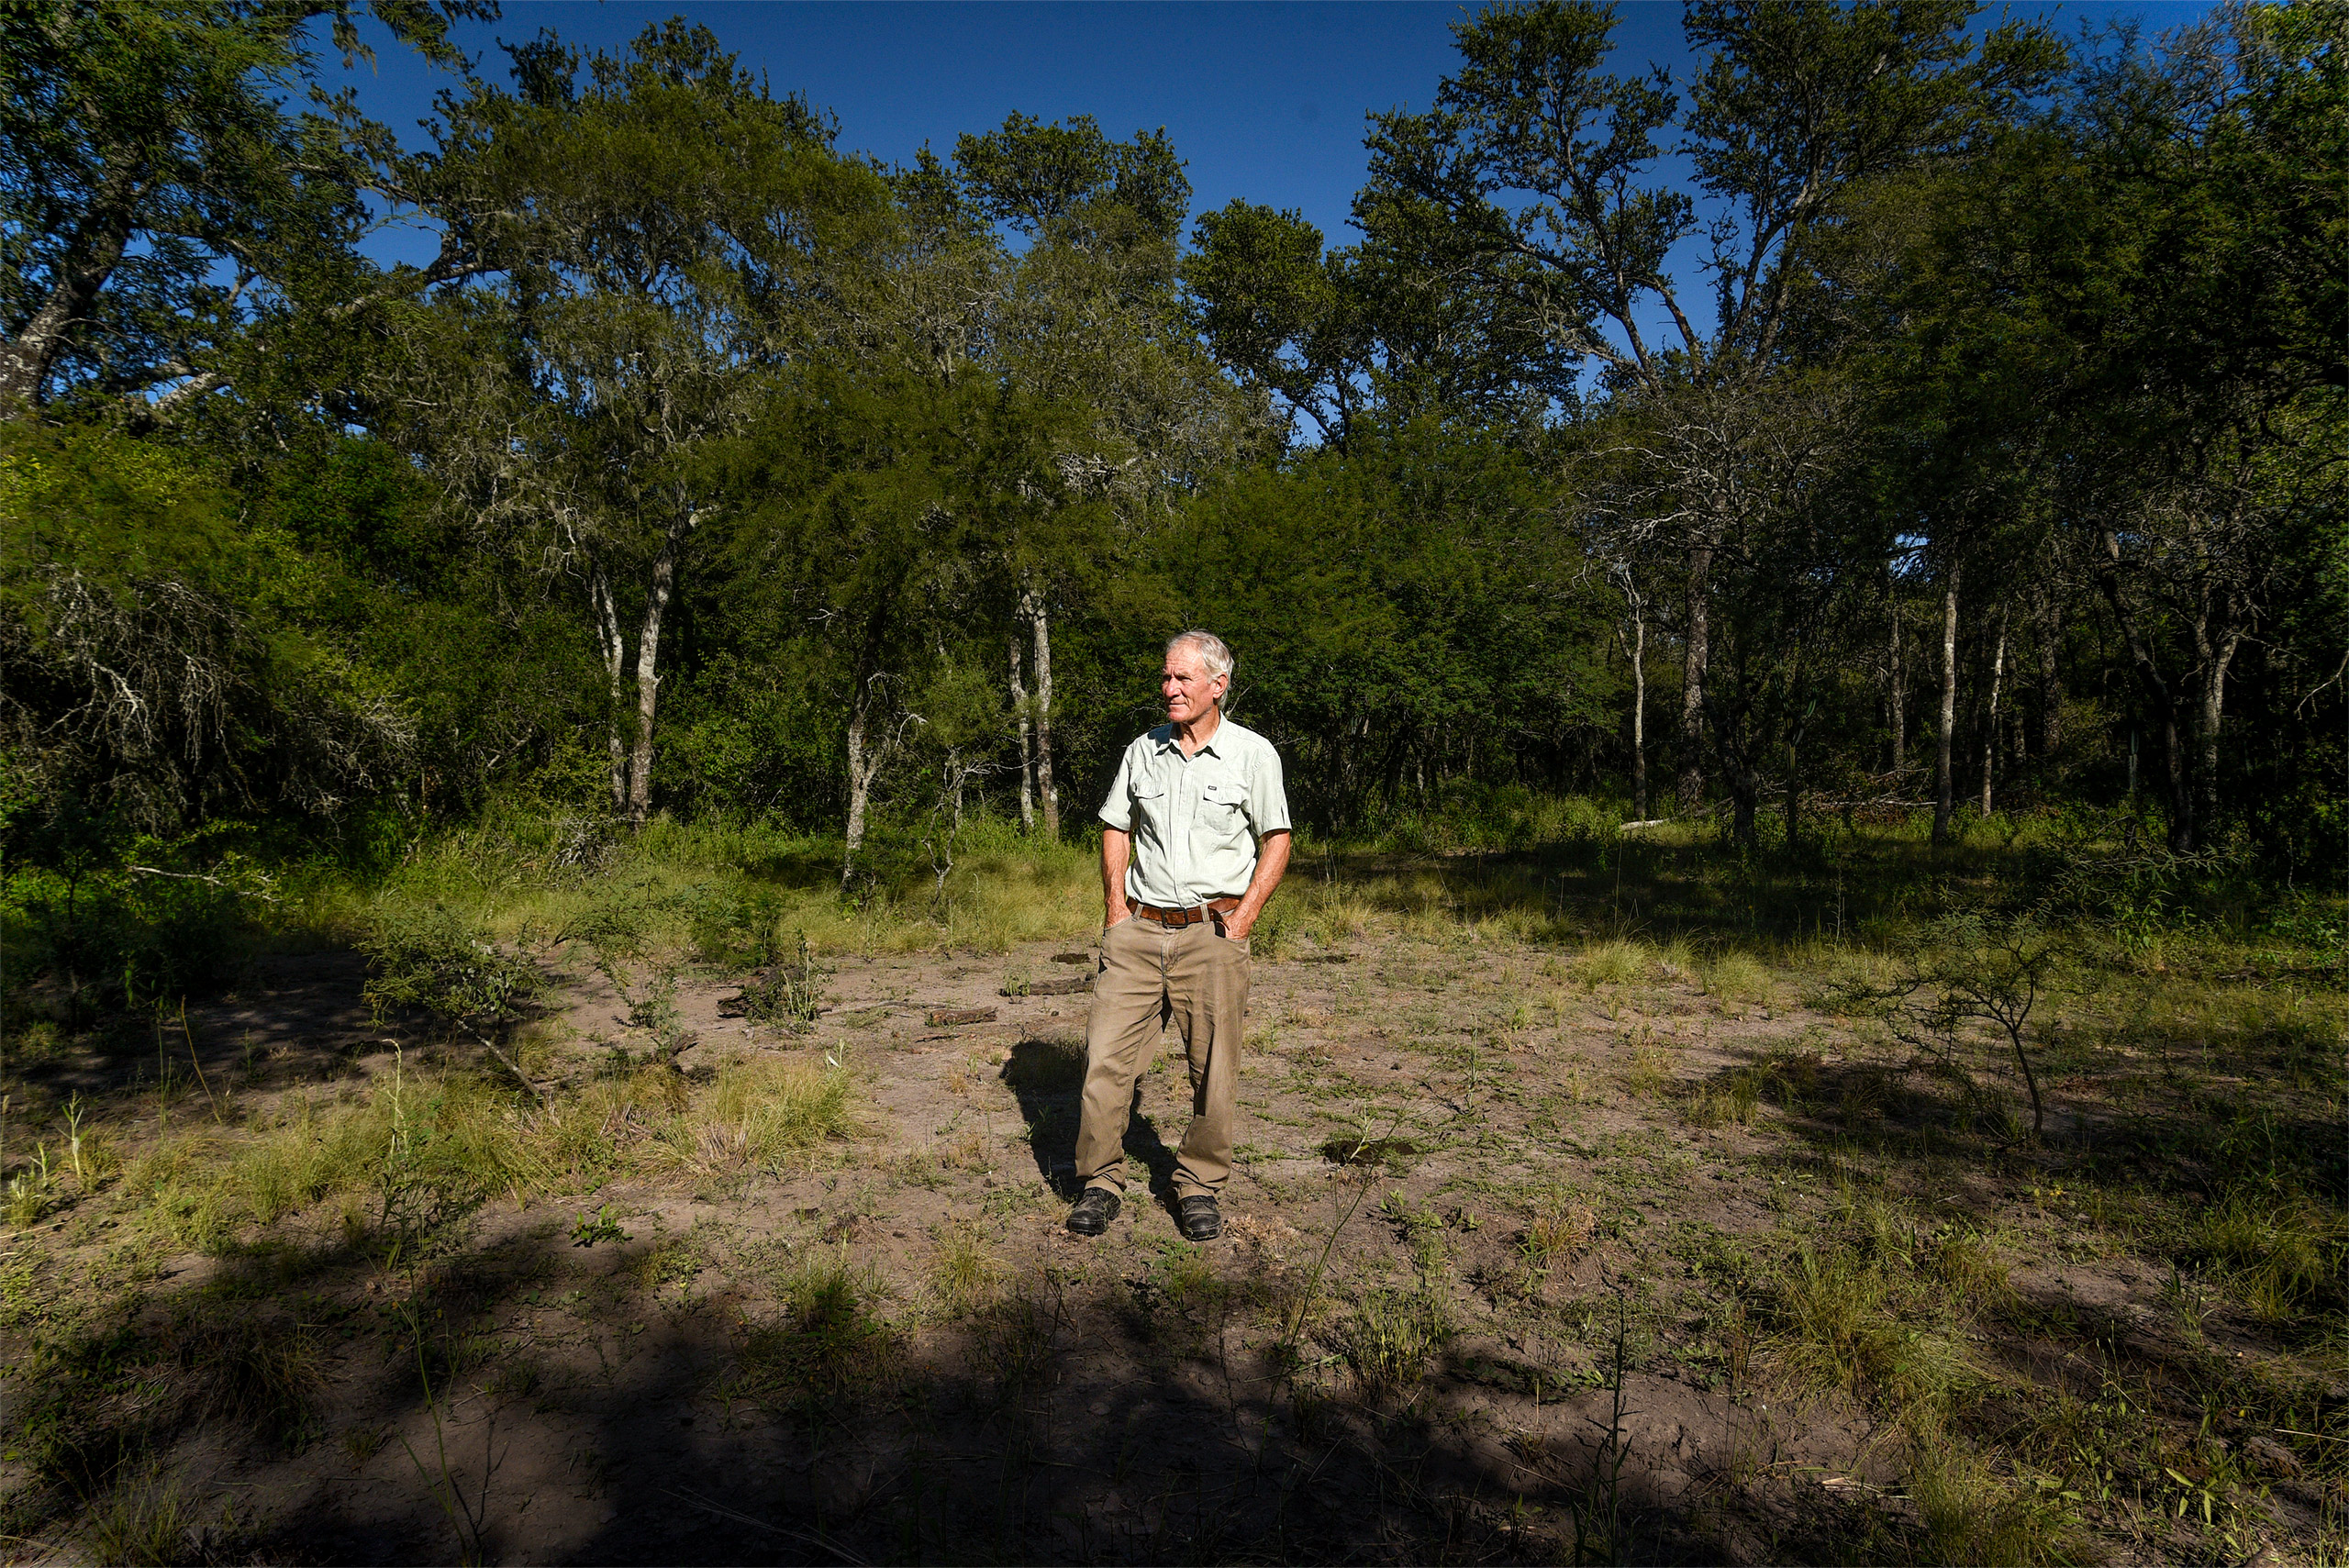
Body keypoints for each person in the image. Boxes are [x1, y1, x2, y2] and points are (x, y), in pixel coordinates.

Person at [1066, 629, 1291, 1242]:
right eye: (1165, 678)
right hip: (1138, 929)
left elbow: (1278, 838)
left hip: (1210, 933)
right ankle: (1100, 1181)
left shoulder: (1254, 755)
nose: (1168, 689)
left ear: (1218, 685)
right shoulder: (1143, 751)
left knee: (1213, 1071)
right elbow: (1116, 823)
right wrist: (1115, 907)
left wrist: (1243, 919)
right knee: (1105, 1062)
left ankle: (1198, 1185)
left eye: (1182, 679)